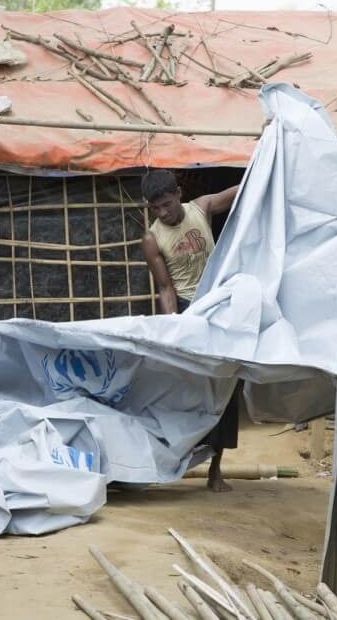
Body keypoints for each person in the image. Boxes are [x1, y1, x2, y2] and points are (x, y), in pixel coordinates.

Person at [140, 168, 240, 492]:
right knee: (190, 389)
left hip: (218, 306)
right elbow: (165, 287)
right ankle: (175, 461)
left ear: (178, 194)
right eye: (156, 208)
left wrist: (269, 160)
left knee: (226, 388)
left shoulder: (202, 208)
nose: (163, 212)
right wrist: (174, 329)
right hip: (187, 309)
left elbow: (244, 189)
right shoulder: (152, 239)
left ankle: (216, 469)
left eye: (167, 204)